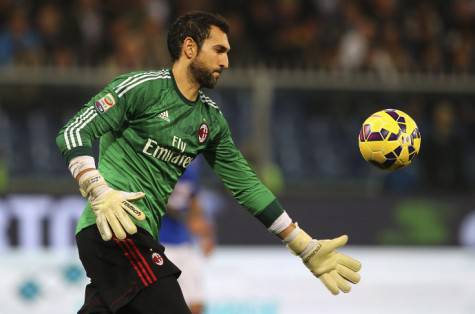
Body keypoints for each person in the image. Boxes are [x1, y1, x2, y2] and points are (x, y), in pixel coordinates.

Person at [56, 11, 362, 314]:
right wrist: (97, 190)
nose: (226, 62)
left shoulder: (210, 121)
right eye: (219, 50)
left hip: (138, 235)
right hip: (115, 229)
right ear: (190, 48)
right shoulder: (141, 89)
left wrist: (303, 246)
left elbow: (247, 186)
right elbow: (72, 132)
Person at [160, 159, 214, 314]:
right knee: (165, 302)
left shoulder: (191, 170)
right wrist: (187, 218)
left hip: (185, 243)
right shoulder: (158, 164)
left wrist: (207, 236)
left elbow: (194, 201)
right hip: (160, 243)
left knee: (196, 303)